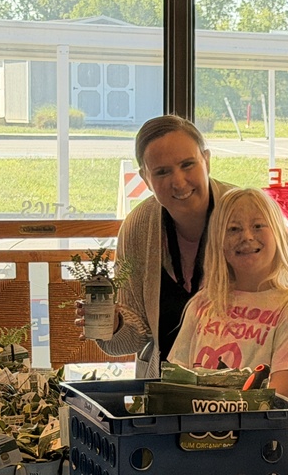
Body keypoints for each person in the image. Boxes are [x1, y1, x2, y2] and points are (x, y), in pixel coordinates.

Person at [168, 187, 288, 475]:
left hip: (259, 461)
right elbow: (173, 388)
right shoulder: (202, 304)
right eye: (233, 228)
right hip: (193, 459)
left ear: (279, 233)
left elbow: (281, 401)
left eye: (258, 225)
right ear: (218, 242)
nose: (247, 236)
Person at [84, 115, 234, 377]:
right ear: (144, 178)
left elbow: (285, 316)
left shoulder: (246, 216)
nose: (178, 182)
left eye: (188, 165)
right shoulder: (138, 227)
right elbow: (132, 340)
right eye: (162, 172)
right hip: (163, 397)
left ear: (206, 160)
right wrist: (113, 323)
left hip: (243, 401)